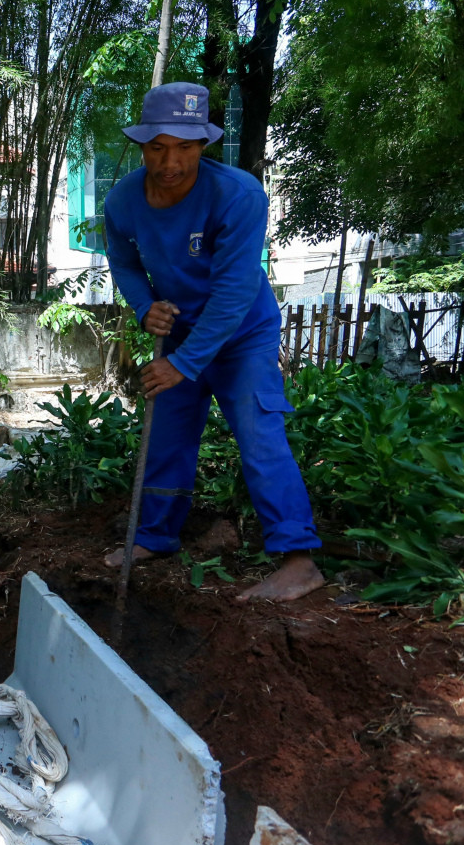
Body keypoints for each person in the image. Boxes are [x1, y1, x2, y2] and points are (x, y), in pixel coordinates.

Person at [103, 82, 324, 603]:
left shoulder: (239, 195)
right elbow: (125, 263)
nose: (170, 161)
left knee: (258, 431)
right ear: (142, 146)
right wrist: (143, 307)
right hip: (178, 328)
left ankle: (298, 560)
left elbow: (234, 290)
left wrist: (184, 363)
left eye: (184, 147)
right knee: (166, 433)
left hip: (242, 332)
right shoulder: (123, 199)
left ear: (203, 144)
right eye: (158, 147)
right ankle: (154, 537)